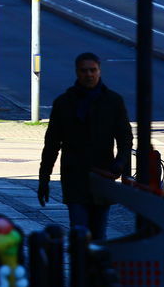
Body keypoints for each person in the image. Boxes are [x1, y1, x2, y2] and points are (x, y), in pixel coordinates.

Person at [37, 52, 132, 241]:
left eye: (93, 70)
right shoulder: (64, 103)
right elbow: (52, 144)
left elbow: (125, 138)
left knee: (98, 233)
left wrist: (120, 164)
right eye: (84, 71)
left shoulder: (113, 101)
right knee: (78, 231)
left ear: (99, 71)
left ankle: (94, 269)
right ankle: (80, 268)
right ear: (77, 72)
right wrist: (44, 179)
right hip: (75, 177)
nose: (89, 74)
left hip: (103, 175)